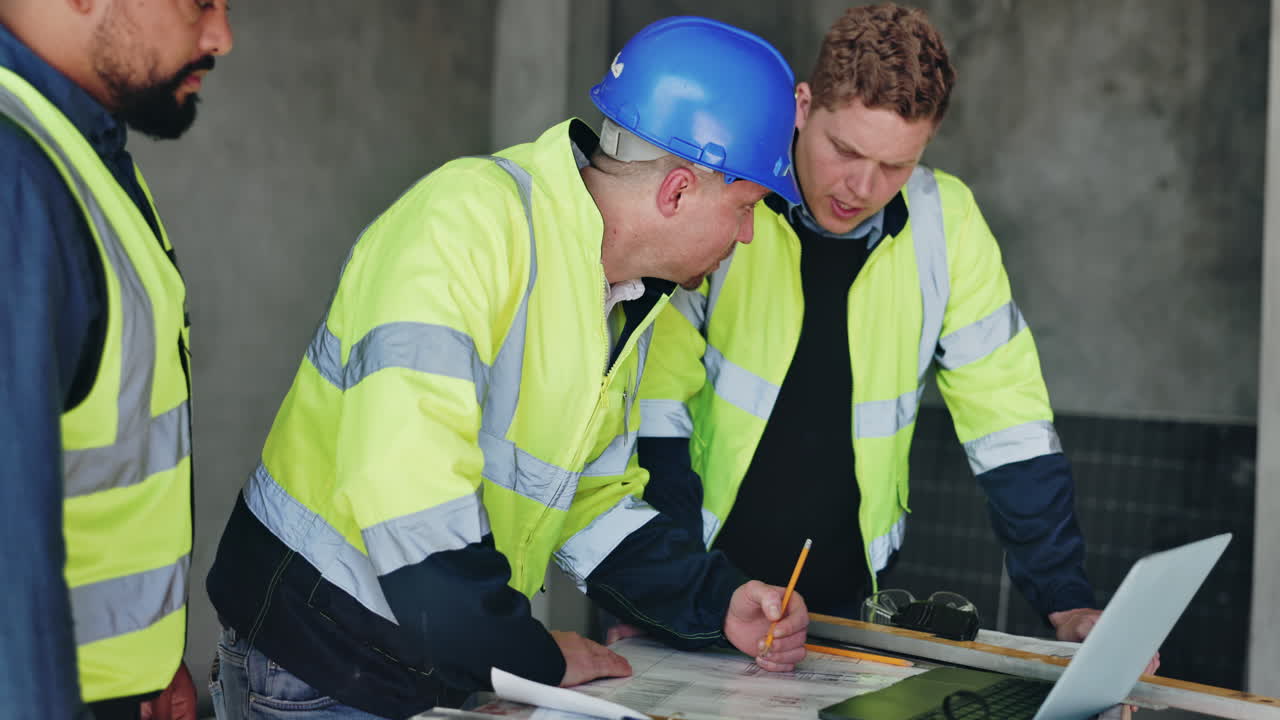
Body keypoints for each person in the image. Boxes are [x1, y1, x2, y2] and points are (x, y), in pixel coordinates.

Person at [204, 17, 810, 720]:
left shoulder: (619, 294)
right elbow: (408, 486)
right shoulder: (465, 223)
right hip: (321, 662)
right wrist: (528, 657)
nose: (745, 236)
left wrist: (717, 601)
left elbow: (589, 498)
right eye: (744, 209)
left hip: (422, 662)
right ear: (677, 192)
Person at [636, 3, 1109, 644]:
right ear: (803, 107)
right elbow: (653, 408)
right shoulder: (725, 198)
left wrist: (1066, 600)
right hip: (701, 586)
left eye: (895, 166)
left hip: (854, 610)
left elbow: (1009, 424)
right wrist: (666, 593)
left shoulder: (949, 225)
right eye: (845, 150)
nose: (861, 185)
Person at [0, 0, 233, 718]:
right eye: (199, 2)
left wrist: (148, 669)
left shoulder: (69, 153)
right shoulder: (14, 179)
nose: (221, 35)